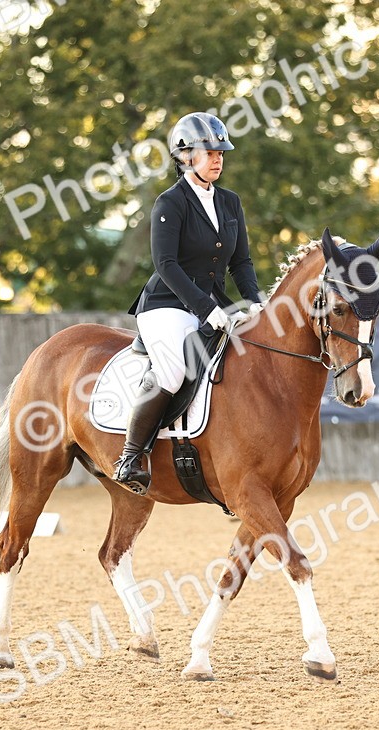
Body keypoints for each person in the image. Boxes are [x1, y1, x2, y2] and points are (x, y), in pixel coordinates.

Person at [113, 112, 267, 494]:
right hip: (166, 304)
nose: (218, 159)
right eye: (209, 152)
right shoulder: (170, 202)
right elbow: (165, 264)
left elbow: (241, 262)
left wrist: (256, 303)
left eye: (221, 153)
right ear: (185, 157)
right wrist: (206, 309)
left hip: (214, 304)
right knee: (172, 370)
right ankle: (131, 456)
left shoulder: (230, 202)